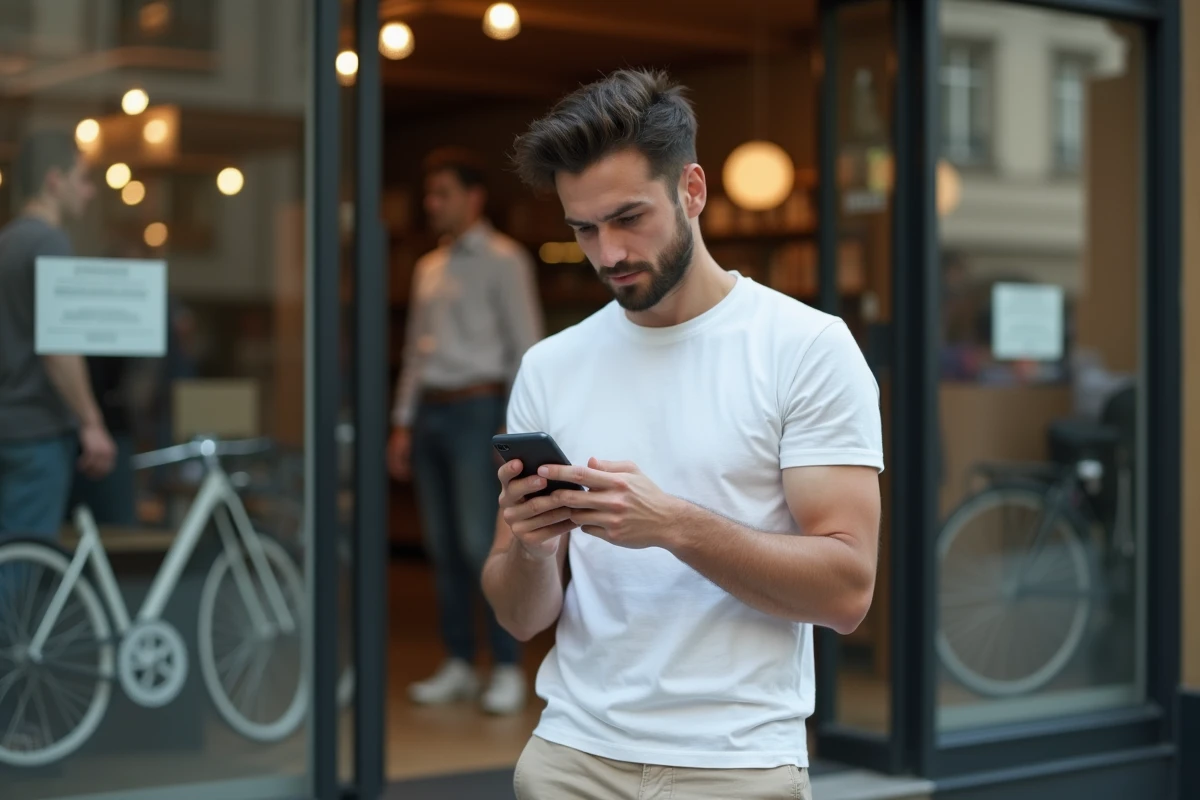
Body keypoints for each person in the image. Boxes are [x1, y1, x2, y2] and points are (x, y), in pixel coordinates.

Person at [483, 69, 883, 798]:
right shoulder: (550, 365)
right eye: (584, 229)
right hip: (570, 758)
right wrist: (533, 550)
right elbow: (518, 618)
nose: (608, 253)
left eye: (628, 218)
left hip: (734, 765)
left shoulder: (806, 348)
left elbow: (847, 591)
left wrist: (672, 525)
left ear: (691, 190)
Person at [388, 147, 544, 714]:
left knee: (482, 542)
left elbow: (526, 346)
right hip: (431, 411)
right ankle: (458, 660)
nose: (432, 204)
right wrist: (402, 422)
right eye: (429, 195)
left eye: (443, 194)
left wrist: (514, 423)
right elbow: (415, 350)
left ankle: (505, 666)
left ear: (474, 198)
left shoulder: (506, 260)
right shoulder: (428, 265)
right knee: (443, 547)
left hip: (480, 409)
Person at [0, 130, 115, 540]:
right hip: (37, 429)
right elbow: (59, 346)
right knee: (24, 562)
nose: (90, 191)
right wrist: (92, 422)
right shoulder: (49, 242)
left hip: (7, 422)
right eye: (82, 178)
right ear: (54, 180)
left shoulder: (7, 242)